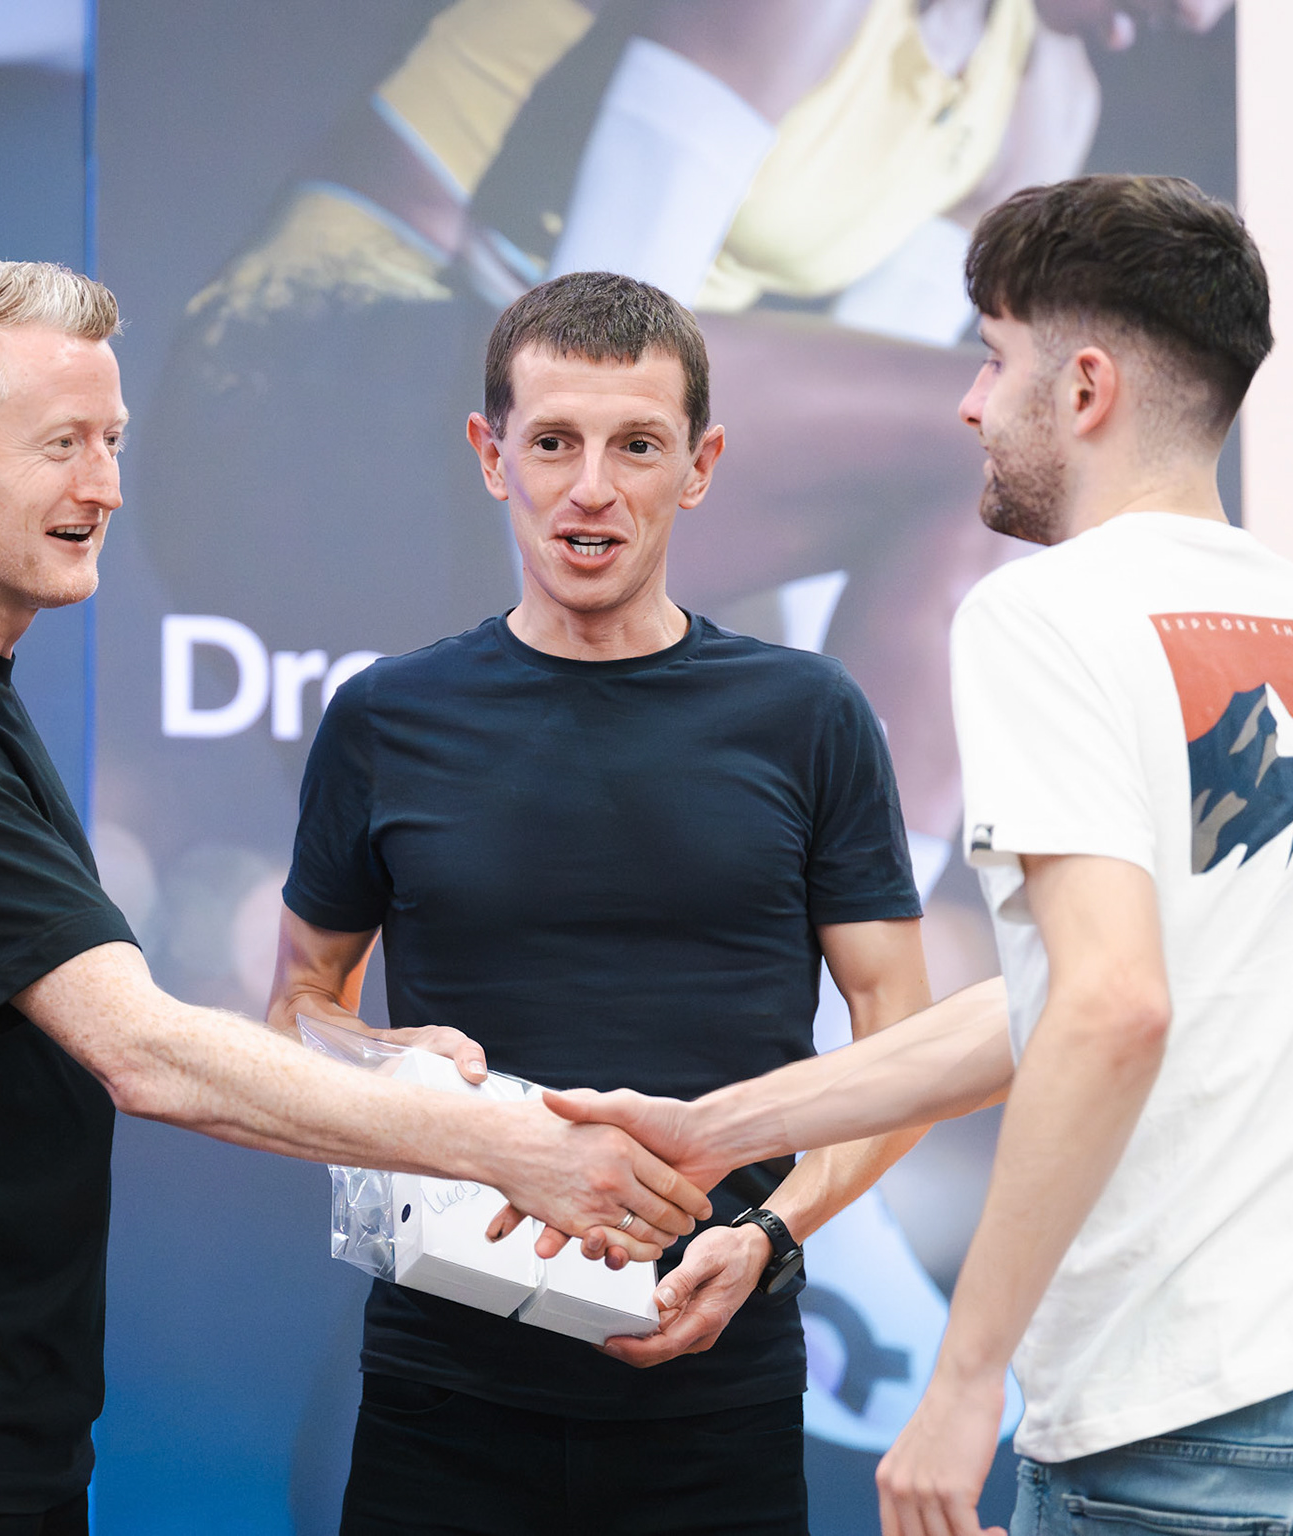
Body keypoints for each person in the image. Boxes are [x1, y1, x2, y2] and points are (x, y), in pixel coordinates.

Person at [543, 175, 1293, 1536]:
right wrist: (724, 1130)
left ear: (1087, 387)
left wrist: (964, 1380)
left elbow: (1110, 1008)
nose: (969, 403)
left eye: (995, 359)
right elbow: (1069, 996)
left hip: (1196, 1435)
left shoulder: (1047, 613)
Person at [0, 259, 710, 1536]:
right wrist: (509, 1150)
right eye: (60, 444)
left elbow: (93, 1024)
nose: (105, 486)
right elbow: (141, 1052)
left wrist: (371, 1058)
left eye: (113, 440)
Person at [270, 269, 935, 1536]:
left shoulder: (808, 716)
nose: (592, 487)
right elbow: (296, 1010)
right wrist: (385, 1063)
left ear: (699, 465)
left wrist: (774, 1234)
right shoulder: (386, 718)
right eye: (553, 443)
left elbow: (901, 1047)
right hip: (442, 1392)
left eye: (636, 445)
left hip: (719, 1389)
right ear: (491, 456)